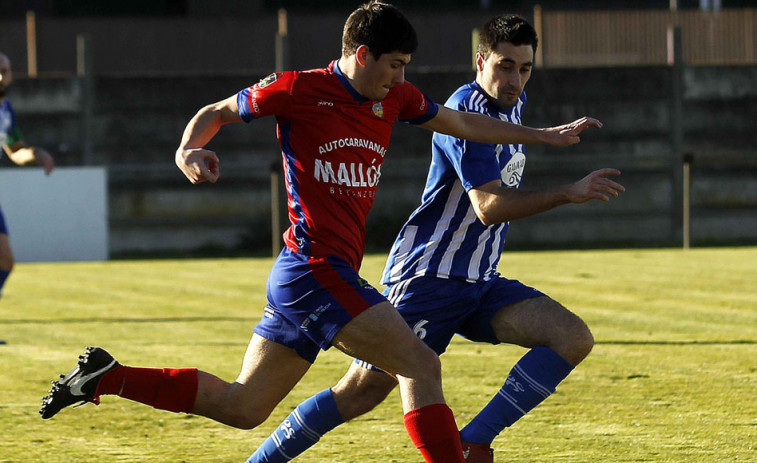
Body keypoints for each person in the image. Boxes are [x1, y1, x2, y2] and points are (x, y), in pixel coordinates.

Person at [39, 4, 602, 462]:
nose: (403, 78)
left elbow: (459, 122)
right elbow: (217, 110)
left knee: (244, 406)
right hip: (314, 270)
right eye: (395, 64)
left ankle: (109, 378)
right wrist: (190, 148)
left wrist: (547, 137)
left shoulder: (397, 100)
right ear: (362, 55)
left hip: (317, 276)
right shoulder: (297, 89)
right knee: (420, 366)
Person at [244, 14, 625, 463]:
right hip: (428, 277)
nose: (514, 79)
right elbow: (489, 207)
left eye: (524, 69)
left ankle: (474, 439)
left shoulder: (512, 108)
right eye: (505, 65)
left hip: (479, 280)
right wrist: (569, 192)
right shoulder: (468, 111)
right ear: (480, 61)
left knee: (571, 337)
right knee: (360, 392)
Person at [0, 52, 55, 306]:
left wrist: (33, 153)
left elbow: (15, 149)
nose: (1, 76)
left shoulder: (6, 109)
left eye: (6, 70)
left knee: (5, 261)